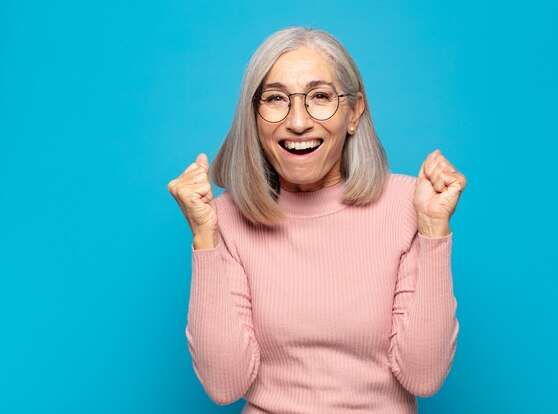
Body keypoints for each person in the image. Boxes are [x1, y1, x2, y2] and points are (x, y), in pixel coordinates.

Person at [167, 26, 466, 414]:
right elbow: (224, 385)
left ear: (354, 111)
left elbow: (424, 377)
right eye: (276, 99)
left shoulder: (408, 205)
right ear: (254, 117)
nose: (298, 122)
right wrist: (205, 238)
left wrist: (433, 232)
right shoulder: (226, 217)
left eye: (320, 97)